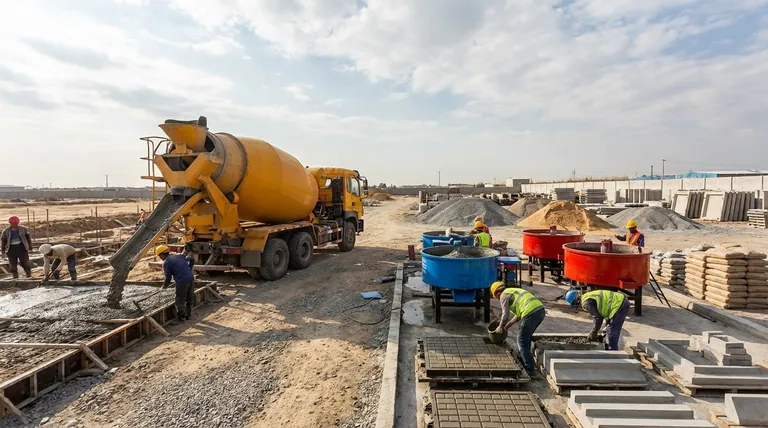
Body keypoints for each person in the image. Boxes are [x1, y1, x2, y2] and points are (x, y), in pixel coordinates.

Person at [491, 281, 546, 374]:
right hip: (540, 311)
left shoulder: (503, 295)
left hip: (531, 313)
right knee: (526, 338)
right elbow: (518, 315)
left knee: (521, 339)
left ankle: (529, 368)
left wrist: (500, 327)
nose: (497, 299)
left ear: (497, 292)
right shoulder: (513, 291)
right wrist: (507, 326)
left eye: (495, 297)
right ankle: (527, 359)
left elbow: (505, 314)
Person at [564, 289, 630, 351]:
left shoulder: (586, 303)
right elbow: (600, 313)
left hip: (619, 304)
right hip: (619, 301)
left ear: (576, 302)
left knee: (612, 331)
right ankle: (609, 348)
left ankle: (613, 354)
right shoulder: (586, 296)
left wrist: (594, 332)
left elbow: (598, 318)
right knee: (608, 328)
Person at [156, 245, 196, 324]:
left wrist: (164, 287)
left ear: (162, 254)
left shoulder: (166, 262)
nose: (160, 258)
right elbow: (191, 259)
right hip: (191, 277)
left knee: (180, 299)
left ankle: (181, 319)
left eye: (159, 256)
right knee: (189, 297)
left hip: (182, 280)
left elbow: (168, 277)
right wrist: (189, 268)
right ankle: (188, 315)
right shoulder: (178, 256)